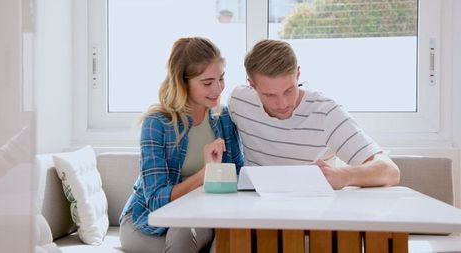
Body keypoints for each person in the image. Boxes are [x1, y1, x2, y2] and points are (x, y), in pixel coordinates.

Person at [119, 37, 244, 253]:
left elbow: (239, 175)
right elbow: (156, 200)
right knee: (183, 235)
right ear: (182, 82)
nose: (218, 88)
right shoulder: (157, 123)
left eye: (221, 78)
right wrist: (206, 174)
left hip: (197, 217)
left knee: (208, 234)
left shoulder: (223, 118)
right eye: (207, 82)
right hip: (146, 221)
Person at [228, 39, 399, 189]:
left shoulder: (325, 113)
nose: (282, 104)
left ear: (298, 74)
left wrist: (344, 175)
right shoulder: (239, 101)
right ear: (251, 84)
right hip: (254, 210)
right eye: (270, 95)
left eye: (288, 90)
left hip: (313, 212)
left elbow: (390, 171)